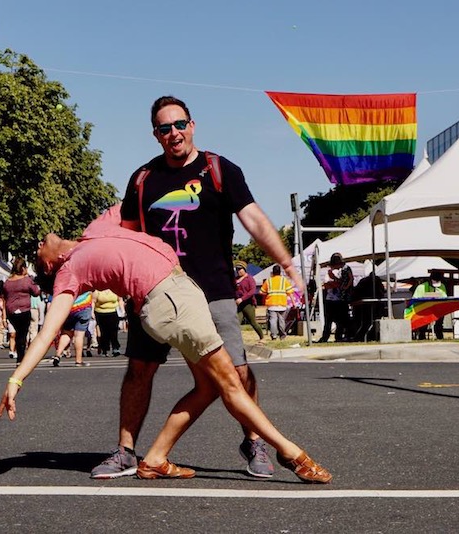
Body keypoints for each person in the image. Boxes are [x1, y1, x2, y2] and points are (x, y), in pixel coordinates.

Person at [0, 207, 331, 484]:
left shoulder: (96, 228)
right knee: (229, 382)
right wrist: (16, 379)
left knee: (208, 387)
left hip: (180, 291)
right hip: (167, 301)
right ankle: (291, 452)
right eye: (36, 253)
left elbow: (139, 201)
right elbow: (46, 333)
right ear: (48, 265)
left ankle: (156, 457)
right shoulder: (67, 273)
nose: (38, 243)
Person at [93, 95, 303, 480]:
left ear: (192, 125)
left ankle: (253, 441)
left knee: (236, 374)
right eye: (164, 128)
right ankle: (125, 451)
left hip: (213, 291)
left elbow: (253, 219)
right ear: (155, 135)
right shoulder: (143, 179)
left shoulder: (219, 169)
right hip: (155, 292)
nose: (173, 133)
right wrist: (126, 288)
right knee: (139, 369)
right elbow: (127, 238)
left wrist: (287, 263)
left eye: (179, 125)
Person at [2, 257, 40, 364]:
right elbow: (36, 292)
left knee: (18, 333)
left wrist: (4, 316)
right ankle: (21, 357)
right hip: (24, 310)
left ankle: (19, 355)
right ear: (23, 268)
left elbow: (4, 298)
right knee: (22, 334)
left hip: (11, 311)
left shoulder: (7, 282)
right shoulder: (26, 280)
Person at [318, 253, 353, 343]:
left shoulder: (344, 270)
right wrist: (335, 284)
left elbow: (348, 280)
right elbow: (326, 284)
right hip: (331, 299)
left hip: (340, 299)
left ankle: (338, 336)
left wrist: (339, 285)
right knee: (329, 320)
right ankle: (327, 336)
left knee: (340, 320)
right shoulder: (330, 272)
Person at [51, 291, 92, 368]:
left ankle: (58, 355)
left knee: (66, 333)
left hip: (69, 307)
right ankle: (78, 360)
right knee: (79, 335)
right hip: (84, 306)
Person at [260, 265, 294, 340]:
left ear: (273, 272)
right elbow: (290, 292)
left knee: (273, 320)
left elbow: (261, 292)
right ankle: (282, 335)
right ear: (280, 272)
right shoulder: (284, 280)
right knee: (281, 320)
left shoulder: (268, 280)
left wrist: (268, 293)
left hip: (271, 303)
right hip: (282, 304)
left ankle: (274, 335)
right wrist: (293, 303)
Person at [411, 272, 448, 340]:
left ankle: (439, 335)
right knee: (423, 322)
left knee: (440, 321)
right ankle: (422, 336)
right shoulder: (421, 287)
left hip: (437, 310)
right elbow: (414, 299)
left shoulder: (442, 286)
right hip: (424, 310)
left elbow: (444, 298)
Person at [234, 261, 263, 341]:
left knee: (253, 322)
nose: (238, 271)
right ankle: (237, 339)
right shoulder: (236, 280)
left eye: (240, 269)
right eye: (237, 269)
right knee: (236, 322)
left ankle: (262, 337)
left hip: (248, 304)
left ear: (244, 269)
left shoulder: (249, 279)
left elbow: (252, 291)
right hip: (239, 305)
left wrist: (242, 298)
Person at [93, 289, 122, 357]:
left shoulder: (114, 288)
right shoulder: (97, 291)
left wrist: (122, 310)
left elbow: (120, 300)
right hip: (100, 313)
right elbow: (93, 302)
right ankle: (104, 349)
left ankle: (115, 348)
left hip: (113, 312)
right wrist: (92, 313)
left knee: (114, 332)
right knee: (104, 332)